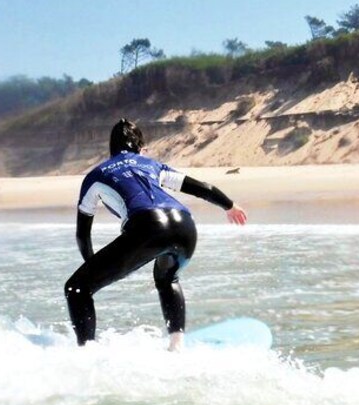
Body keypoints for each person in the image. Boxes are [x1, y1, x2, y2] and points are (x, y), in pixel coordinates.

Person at [64, 118, 247, 350]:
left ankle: (86, 356)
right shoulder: (151, 164)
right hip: (185, 226)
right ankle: (177, 346)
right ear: (141, 148)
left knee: (77, 289)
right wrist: (229, 206)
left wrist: (92, 265)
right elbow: (203, 188)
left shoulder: (96, 175)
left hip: (148, 227)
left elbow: (82, 233)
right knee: (167, 278)